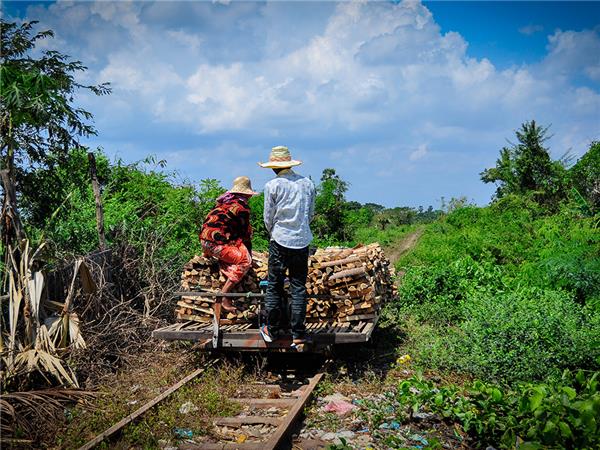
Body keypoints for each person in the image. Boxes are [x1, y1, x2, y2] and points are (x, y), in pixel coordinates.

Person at [258, 146, 316, 347]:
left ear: (274, 167)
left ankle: (272, 330)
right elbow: (311, 214)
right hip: (302, 240)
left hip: (280, 240)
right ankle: (298, 333)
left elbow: (268, 217)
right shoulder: (307, 183)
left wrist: (274, 232)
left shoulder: (272, 185)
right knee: (298, 286)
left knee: (274, 285)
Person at [199, 176, 257, 313]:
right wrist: (249, 255)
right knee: (244, 262)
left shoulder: (223, 202)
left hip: (204, 241)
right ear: (246, 194)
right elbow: (245, 235)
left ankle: (209, 254)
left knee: (234, 249)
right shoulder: (242, 208)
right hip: (215, 244)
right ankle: (224, 295)